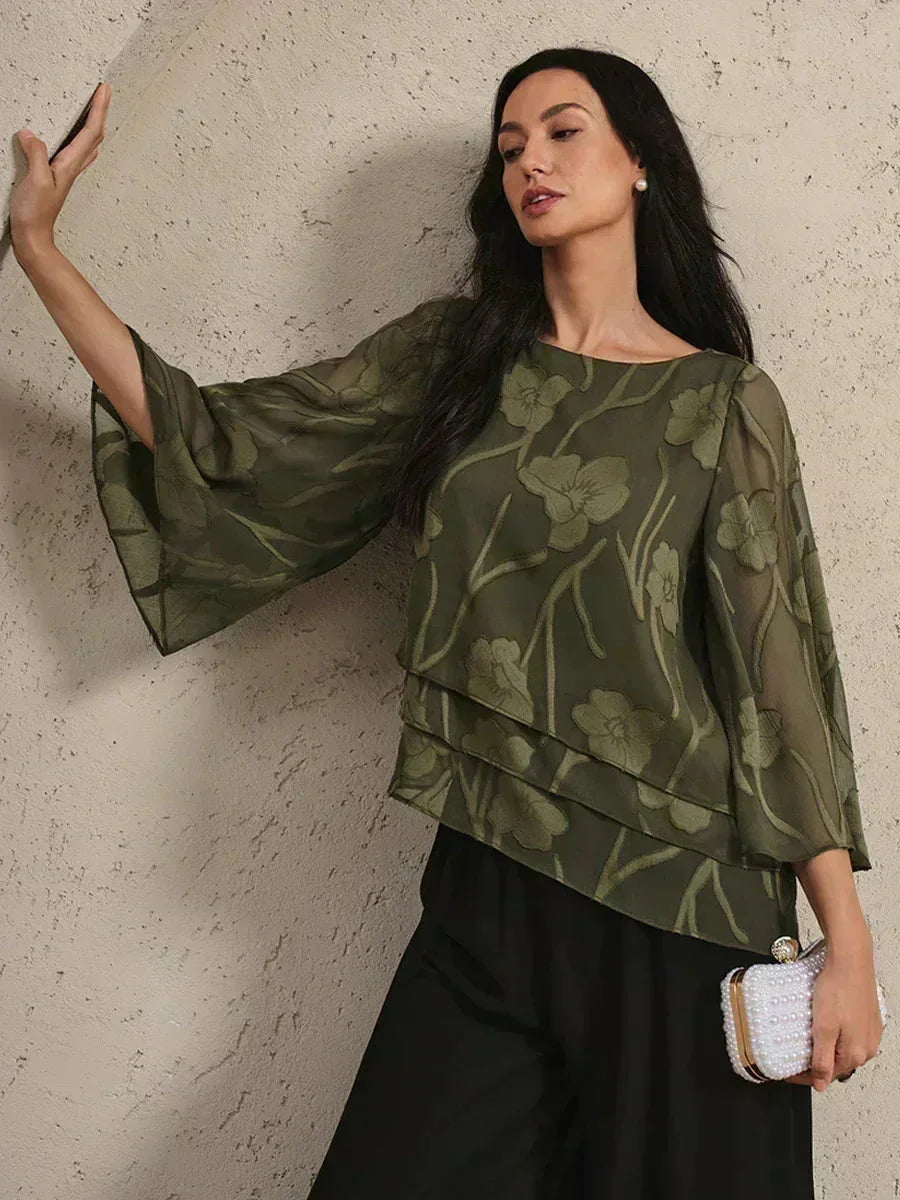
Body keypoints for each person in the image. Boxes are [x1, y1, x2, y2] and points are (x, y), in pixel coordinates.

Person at [11, 46, 884, 1199]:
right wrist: (38, 248)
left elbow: (778, 675)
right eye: (510, 146)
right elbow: (222, 445)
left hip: (681, 905)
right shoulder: (454, 362)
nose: (530, 161)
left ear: (640, 162)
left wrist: (847, 944)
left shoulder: (722, 403)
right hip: (489, 876)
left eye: (563, 131)